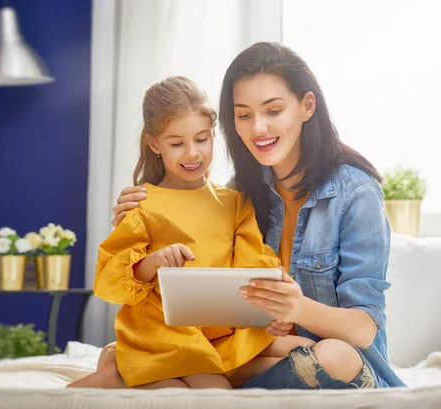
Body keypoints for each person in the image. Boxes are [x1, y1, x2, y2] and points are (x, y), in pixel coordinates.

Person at [109, 42, 405, 389]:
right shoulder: (242, 192)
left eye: (273, 110)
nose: (258, 128)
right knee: (138, 352)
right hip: (258, 352)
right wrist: (139, 212)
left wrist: (298, 309)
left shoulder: (355, 193)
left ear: (307, 106)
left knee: (336, 356)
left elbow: (363, 328)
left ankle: (173, 382)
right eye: (244, 114)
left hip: (340, 365)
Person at [68, 76, 314, 390]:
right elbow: (110, 285)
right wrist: (152, 263)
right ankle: (121, 368)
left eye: (201, 139)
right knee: (212, 392)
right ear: (154, 144)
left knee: (303, 353)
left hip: (221, 333)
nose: (192, 153)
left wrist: (275, 307)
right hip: (166, 334)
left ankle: (120, 365)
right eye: (176, 143)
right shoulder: (143, 203)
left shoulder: (235, 203)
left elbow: (257, 266)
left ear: (214, 135)